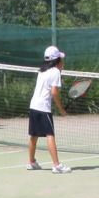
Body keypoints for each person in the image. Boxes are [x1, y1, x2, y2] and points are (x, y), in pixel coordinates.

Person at [27, 45, 70, 174]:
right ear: (57, 60)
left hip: (33, 106)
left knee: (34, 136)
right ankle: (56, 165)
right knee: (50, 135)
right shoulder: (55, 72)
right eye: (61, 59)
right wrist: (61, 109)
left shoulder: (42, 70)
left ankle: (31, 162)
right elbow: (55, 92)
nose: (63, 61)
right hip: (44, 108)